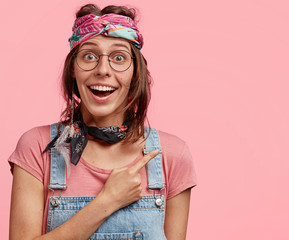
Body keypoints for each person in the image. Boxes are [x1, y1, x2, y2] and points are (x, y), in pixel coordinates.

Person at [8, 4, 197, 240]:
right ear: (73, 69)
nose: (103, 70)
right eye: (89, 56)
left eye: (119, 57)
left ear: (135, 72)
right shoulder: (37, 148)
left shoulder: (172, 155)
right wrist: (107, 201)